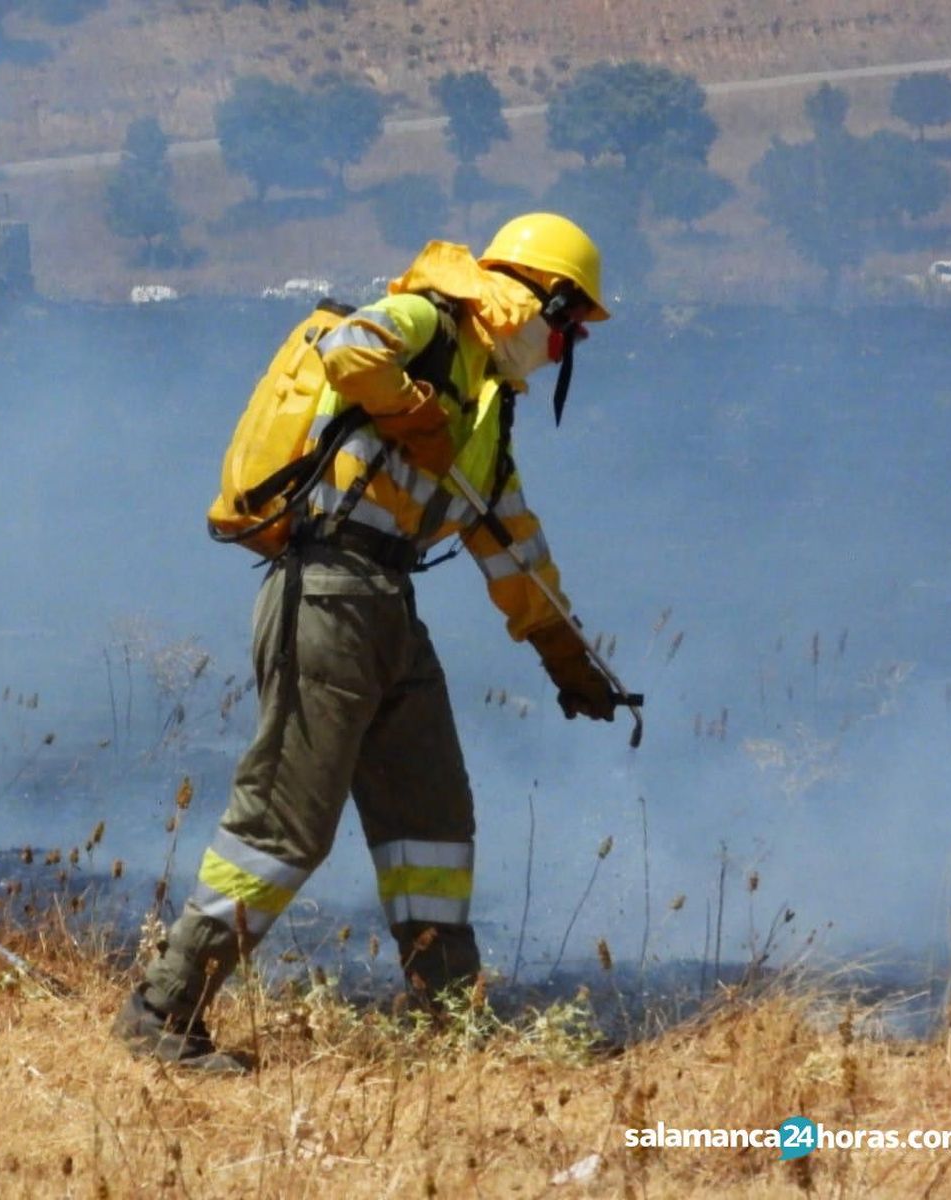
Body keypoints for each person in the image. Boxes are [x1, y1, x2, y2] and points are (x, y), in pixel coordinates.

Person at [114, 213, 621, 1072]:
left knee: (434, 821)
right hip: (328, 590)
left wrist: (566, 654)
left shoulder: (487, 412)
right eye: (569, 328)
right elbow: (352, 348)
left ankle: (447, 1019)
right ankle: (165, 1012)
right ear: (545, 299)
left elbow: (514, 543)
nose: (565, 349)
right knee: (285, 822)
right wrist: (410, 404)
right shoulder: (431, 320)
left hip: (388, 605)